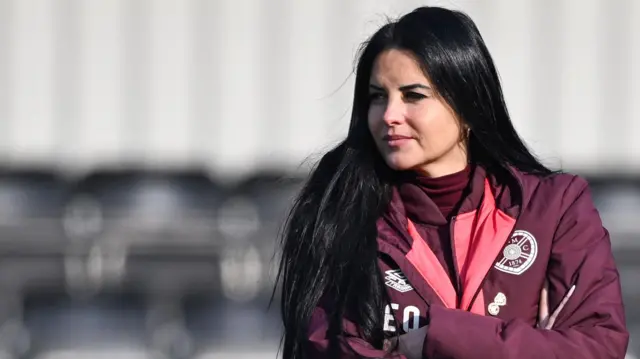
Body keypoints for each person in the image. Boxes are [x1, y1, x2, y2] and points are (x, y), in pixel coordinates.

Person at [274, 6, 629, 359]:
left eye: (413, 96)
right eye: (377, 96)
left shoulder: (554, 208)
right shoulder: (339, 212)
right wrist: (529, 345)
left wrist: (438, 338)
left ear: (468, 103)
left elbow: (598, 347)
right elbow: (329, 348)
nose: (389, 115)